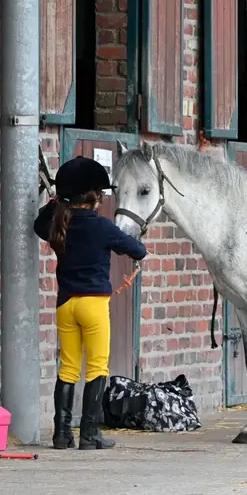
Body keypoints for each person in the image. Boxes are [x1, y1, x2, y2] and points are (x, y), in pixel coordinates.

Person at [34, 156, 148, 450]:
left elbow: (38, 225)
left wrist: (54, 202)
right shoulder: (102, 227)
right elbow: (138, 250)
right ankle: (90, 433)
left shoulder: (60, 223)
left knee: (68, 367)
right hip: (94, 305)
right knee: (97, 367)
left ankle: (61, 434)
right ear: (96, 197)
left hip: (66, 304)